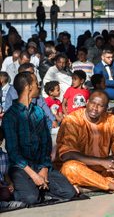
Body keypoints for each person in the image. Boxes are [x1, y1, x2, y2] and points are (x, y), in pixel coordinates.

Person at [2, 72, 76, 204]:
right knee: (31, 198)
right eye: (36, 83)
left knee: (69, 192)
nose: (39, 86)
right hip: (21, 168)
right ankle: (34, 189)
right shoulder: (10, 116)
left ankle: (40, 187)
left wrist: (44, 169)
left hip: (41, 164)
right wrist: (34, 175)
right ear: (28, 87)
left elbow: (46, 144)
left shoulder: (39, 112)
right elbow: (13, 152)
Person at [57, 90, 114, 194]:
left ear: (106, 108)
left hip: (104, 171)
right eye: (93, 103)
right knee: (69, 168)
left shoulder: (112, 120)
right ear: (87, 102)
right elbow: (67, 154)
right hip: (81, 169)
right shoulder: (72, 120)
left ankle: (90, 187)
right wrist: (101, 162)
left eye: (100, 106)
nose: (95, 108)